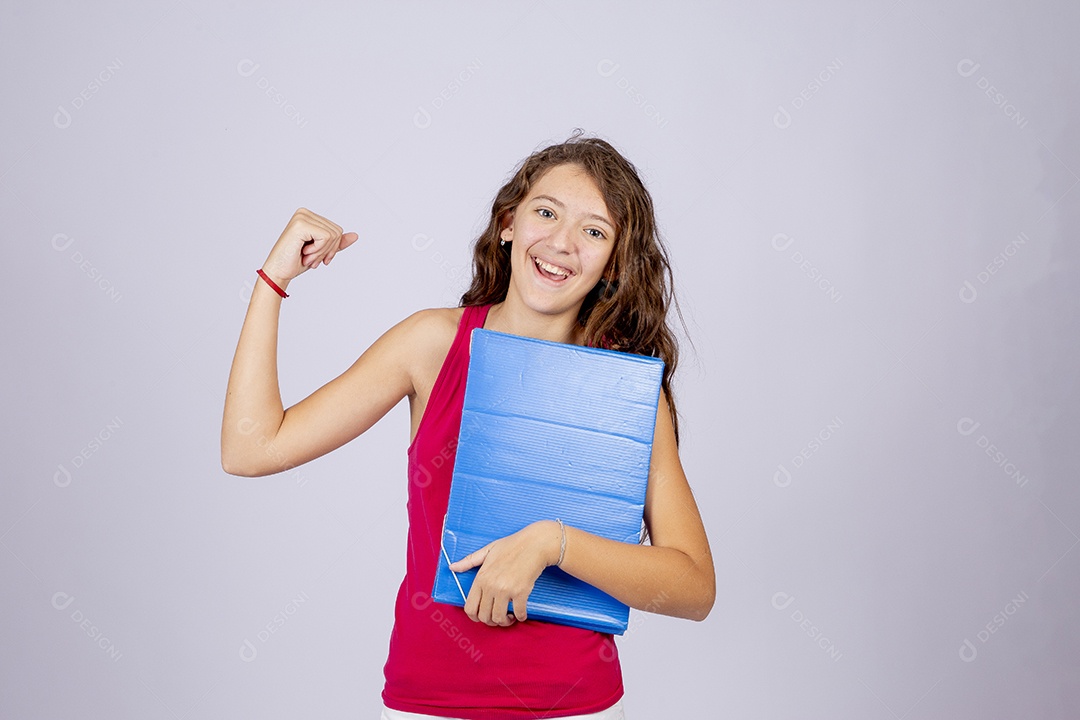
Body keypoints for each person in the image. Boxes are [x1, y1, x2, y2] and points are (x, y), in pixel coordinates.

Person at [221, 131, 715, 719]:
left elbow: (693, 587)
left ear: (613, 263)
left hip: (575, 708)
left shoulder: (626, 392)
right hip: (426, 705)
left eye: (593, 231)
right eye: (546, 212)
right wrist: (273, 280)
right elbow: (251, 450)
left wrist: (551, 544)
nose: (560, 243)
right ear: (509, 222)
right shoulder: (432, 345)